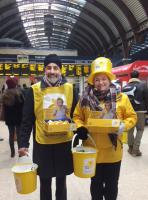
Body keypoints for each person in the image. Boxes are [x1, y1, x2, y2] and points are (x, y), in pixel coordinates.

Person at [73, 57, 137, 200]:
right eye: (97, 79)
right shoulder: (84, 99)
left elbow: (132, 117)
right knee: (95, 184)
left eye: (104, 79)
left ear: (109, 80)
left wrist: (123, 125)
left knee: (111, 185)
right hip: (92, 150)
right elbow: (77, 117)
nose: (100, 82)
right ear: (92, 81)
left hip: (113, 151)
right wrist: (80, 128)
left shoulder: (122, 98)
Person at [18, 54, 78, 200]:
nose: (52, 71)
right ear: (44, 70)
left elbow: (77, 115)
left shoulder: (70, 89)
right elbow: (27, 119)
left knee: (61, 180)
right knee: (45, 181)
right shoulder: (34, 90)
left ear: (61, 70)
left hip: (63, 141)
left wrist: (78, 130)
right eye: (49, 67)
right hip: (42, 142)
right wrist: (23, 143)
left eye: (55, 68)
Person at [122, 70, 148, 156]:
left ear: (130, 76)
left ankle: (130, 148)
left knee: (130, 130)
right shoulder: (143, 86)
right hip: (140, 111)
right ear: (138, 76)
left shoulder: (125, 87)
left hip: (128, 112)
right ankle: (136, 150)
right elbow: (146, 99)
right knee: (140, 130)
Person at [2, 77, 24, 157]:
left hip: (9, 118)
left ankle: (12, 152)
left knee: (11, 135)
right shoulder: (19, 93)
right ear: (14, 84)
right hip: (18, 117)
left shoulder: (4, 94)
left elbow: (3, 108)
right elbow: (23, 106)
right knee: (19, 135)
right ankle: (20, 153)